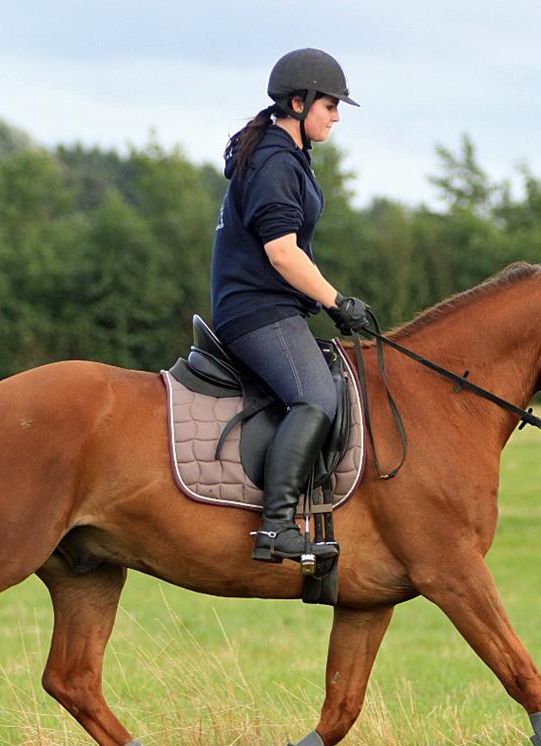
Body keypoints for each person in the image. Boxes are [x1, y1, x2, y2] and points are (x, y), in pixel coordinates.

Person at [209, 48, 371, 565]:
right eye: (330, 105)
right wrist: (336, 301)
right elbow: (282, 252)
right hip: (258, 310)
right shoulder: (277, 162)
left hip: (269, 307)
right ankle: (276, 526)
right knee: (316, 399)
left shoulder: (286, 155)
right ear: (298, 104)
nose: (336, 116)